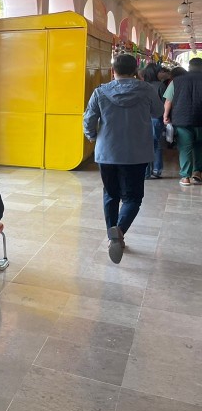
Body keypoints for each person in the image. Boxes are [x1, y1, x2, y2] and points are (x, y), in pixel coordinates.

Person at [83, 53, 163, 264]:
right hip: (137, 154)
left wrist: (92, 136)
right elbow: (158, 112)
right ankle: (118, 232)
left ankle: (113, 237)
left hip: (107, 152)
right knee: (133, 198)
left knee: (111, 194)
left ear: (113, 71)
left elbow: (89, 119)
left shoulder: (100, 91)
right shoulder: (146, 90)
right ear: (136, 71)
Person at [163, 57, 202, 186]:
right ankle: (197, 173)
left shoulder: (177, 81)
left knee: (185, 148)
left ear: (189, 67)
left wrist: (166, 115)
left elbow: (168, 100)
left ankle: (185, 177)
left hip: (182, 119)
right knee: (199, 147)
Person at [141, 63, 165, 179]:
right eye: (160, 71)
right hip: (156, 118)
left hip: (142, 118)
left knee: (144, 144)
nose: (162, 73)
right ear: (155, 73)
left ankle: (146, 171)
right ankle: (157, 169)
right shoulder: (161, 86)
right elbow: (164, 103)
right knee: (156, 144)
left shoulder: (142, 85)